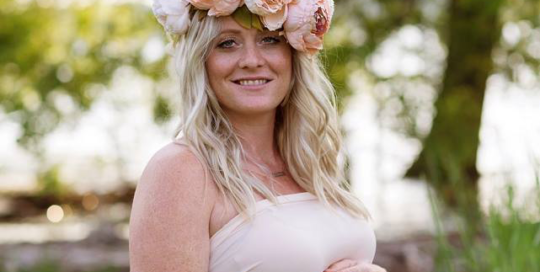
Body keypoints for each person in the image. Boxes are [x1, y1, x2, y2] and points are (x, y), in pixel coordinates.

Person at [129, 0, 387, 271]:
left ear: (292, 55)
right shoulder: (180, 170)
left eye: (270, 40)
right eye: (227, 43)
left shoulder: (310, 160)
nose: (252, 61)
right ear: (200, 59)